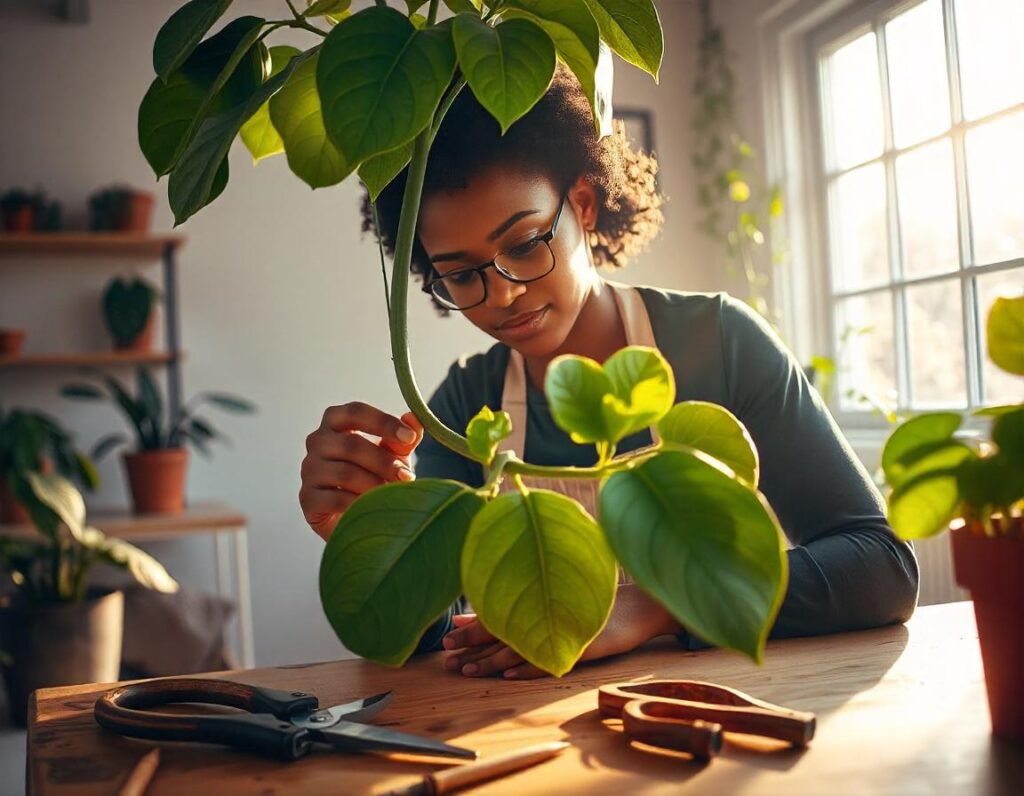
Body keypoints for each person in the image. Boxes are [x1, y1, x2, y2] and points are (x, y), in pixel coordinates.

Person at [299, 66, 919, 680]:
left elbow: (883, 568)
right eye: (462, 274)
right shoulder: (464, 403)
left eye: (523, 244)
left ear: (584, 204)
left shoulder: (719, 343)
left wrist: (654, 606)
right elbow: (440, 636)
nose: (502, 295)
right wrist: (376, 536)